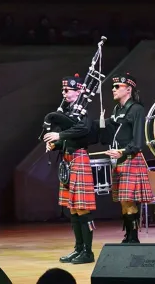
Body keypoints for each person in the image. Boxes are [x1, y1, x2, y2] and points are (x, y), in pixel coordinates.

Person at [43, 74, 96, 265]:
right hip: (68, 159)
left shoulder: (83, 112)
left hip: (79, 158)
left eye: (67, 90)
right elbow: (67, 137)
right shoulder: (68, 112)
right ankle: (78, 249)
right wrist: (55, 144)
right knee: (73, 209)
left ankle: (88, 252)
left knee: (83, 208)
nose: (64, 94)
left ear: (79, 91)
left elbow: (83, 130)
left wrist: (59, 135)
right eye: (63, 90)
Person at [99, 72, 154, 243]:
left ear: (128, 89)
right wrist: (102, 124)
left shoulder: (137, 109)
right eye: (113, 86)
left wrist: (122, 152)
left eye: (117, 87)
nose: (113, 89)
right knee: (123, 201)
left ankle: (133, 237)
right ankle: (128, 235)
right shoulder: (117, 109)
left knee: (128, 201)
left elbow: (138, 142)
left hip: (131, 158)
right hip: (119, 160)